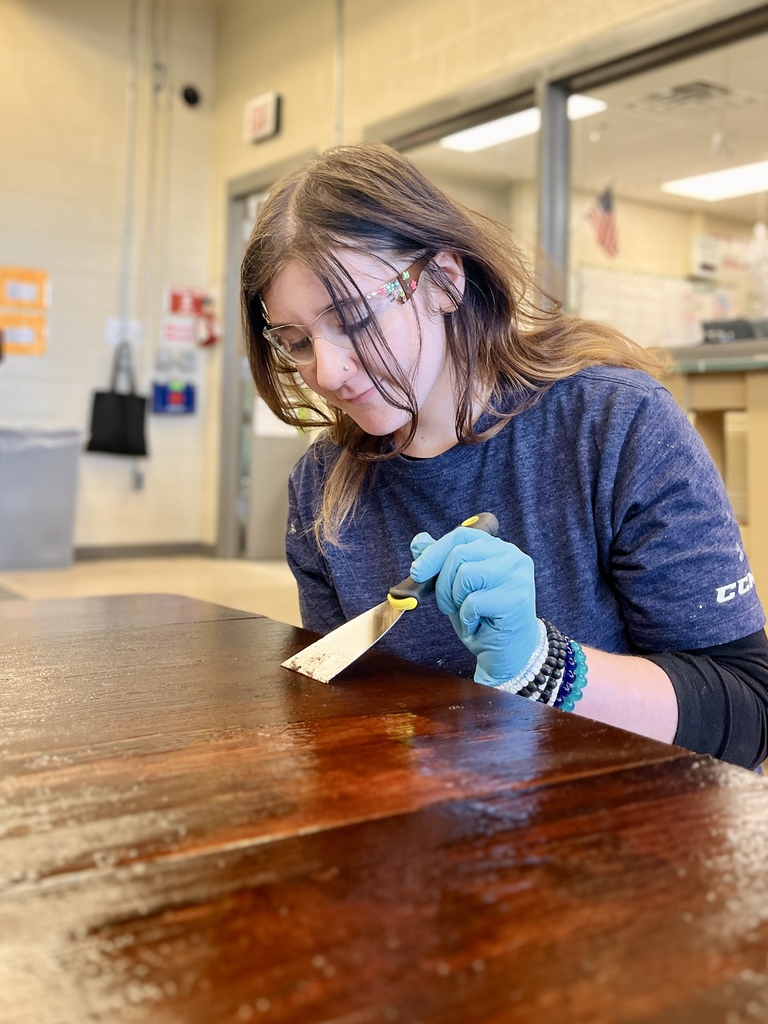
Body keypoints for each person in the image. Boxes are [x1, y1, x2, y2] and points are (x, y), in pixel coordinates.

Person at [241, 142, 768, 770]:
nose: (326, 371)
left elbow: (749, 711)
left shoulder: (615, 426)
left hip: (616, 826)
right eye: (296, 342)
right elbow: (345, 724)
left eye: (353, 319)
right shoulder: (323, 487)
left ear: (442, 279)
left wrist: (541, 665)